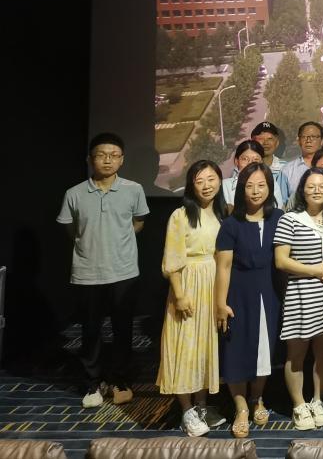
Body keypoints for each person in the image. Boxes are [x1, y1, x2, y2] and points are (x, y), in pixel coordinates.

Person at [57, 132, 150, 408]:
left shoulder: (134, 189)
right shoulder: (74, 193)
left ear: (122, 160)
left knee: (123, 329)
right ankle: (92, 383)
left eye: (113, 155)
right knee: (90, 330)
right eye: (101, 155)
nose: (107, 160)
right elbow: (70, 228)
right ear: (90, 159)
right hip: (88, 272)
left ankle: (120, 380)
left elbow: (138, 222)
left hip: (124, 271)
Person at [158, 160, 227, 437]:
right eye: (200, 181)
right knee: (184, 346)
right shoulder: (180, 215)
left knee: (205, 346)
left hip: (213, 283)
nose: (206, 186)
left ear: (220, 181)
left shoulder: (223, 213)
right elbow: (172, 259)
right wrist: (179, 294)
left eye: (211, 179)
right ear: (191, 185)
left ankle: (201, 405)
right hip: (188, 284)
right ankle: (186, 409)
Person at [214, 161, 283, 438]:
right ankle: (241, 406)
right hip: (239, 294)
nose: (256, 191)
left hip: (270, 292)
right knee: (237, 349)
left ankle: (257, 399)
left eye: (261, 185)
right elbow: (223, 267)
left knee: (265, 349)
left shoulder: (279, 218)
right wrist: (221, 303)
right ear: (241, 189)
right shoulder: (231, 224)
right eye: (250, 186)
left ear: (270, 188)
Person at [274, 167, 323, 430]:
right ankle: (299, 405)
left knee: (322, 352)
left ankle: (317, 400)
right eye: (311, 186)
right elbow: (281, 261)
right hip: (300, 294)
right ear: (302, 190)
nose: (317, 190)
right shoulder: (290, 219)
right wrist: (314, 270)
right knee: (296, 354)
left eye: (322, 186)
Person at [275, 122, 323, 207]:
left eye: (313, 137)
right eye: (304, 137)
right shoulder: (287, 170)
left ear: (322, 141)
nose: (309, 140)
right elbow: (280, 203)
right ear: (298, 141)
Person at [222, 140, 264, 207]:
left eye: (256, 159)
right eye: (245, 159)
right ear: (236, 161)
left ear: (261, 162)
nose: (250, 163)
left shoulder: (271, 183)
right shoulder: (225, 185)